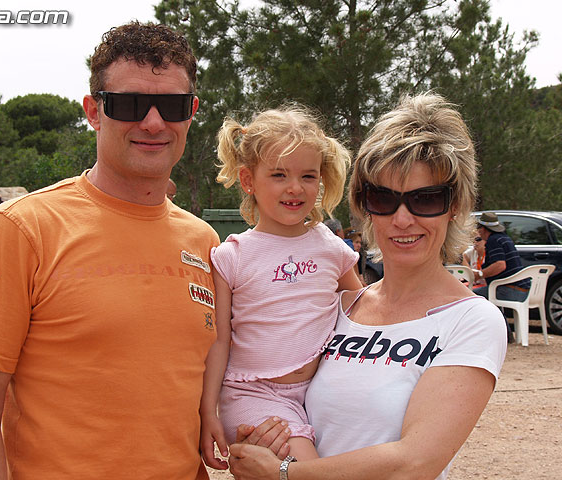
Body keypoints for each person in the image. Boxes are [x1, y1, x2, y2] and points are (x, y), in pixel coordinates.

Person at [0, 22, 220, 480]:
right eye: (130, 104)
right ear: (94, 111)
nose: (154, 123)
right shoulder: (22, 230)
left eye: (171, 106)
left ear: (190, 113)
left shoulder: (204, 241)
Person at [227, 93, 507, 480]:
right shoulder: (339, 306)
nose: (403, 219)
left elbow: (415, 462)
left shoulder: (471, 321)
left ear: (455, 205)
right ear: (366, 206)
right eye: (383, 198)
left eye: (426, 199)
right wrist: (260, 439)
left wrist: (284, 473)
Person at [200, 105, 363, 470]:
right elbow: (219, 341)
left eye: (308, 176)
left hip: (318, 391)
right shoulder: (232, 256)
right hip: (253, 394)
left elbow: (364, 309)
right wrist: (207, 411)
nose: (295, 188)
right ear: (248, 180)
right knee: (307, 471)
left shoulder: (330, 247)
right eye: (278, 174)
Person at [474, 212, 528, 343]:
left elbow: (499, 265)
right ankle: (506, 335)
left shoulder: (493, 241)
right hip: (522, 288)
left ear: (483, 229)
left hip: (511, 289)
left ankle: (487, 336)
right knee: (490, 294)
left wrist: (479, 275)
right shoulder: (504, 238)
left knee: (472, 297)